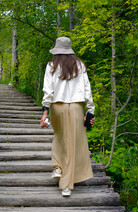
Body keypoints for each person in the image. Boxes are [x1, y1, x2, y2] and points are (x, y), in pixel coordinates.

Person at [40, 36, 95, 197]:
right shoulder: (79, 65)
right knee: (72, 143)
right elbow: (87, 89)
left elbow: (48, 90)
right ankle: (66, 184)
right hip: (76, 107)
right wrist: (90, 109)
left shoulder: (51, 65)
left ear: (56, 51)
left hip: (57, 106)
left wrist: (45, 111)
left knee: (60, 135)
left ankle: (58, 168)